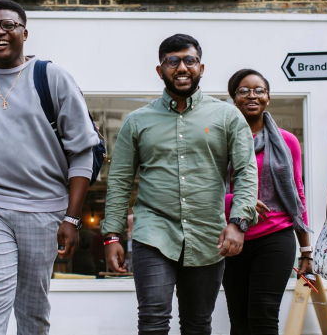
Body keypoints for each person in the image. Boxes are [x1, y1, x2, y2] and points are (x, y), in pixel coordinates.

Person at [0, 0, 100, 334]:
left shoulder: (52, 78)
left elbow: (83, 153)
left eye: (8, 25)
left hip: (43, 212)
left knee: (32, 310)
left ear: (25, 33)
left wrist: (71, 218)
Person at [101, 34, 258, 335]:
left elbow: (245, 172)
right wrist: (112, 236)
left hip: (208, 234)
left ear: (201, 67)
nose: (182, 67)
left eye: (189, 60)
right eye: (172, 61)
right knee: (153, 319)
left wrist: (238, 222)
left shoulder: (227, 117)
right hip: (153, 233)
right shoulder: (137, 121)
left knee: (198, 324)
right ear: (160, 70)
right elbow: (119, 181)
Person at [221, 69, 313, 334]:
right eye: (244, 90)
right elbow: (207, 188)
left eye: (259, 90)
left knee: (263, 316)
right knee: (239, 319)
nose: (252, 95)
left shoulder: (287, 142)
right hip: (231, 237)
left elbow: (297, 193)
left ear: (268, 98)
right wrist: (235, 200)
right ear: (233, 98)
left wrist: (306, 249)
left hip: (276, 235)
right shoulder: (220, 140)